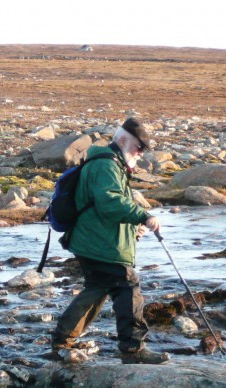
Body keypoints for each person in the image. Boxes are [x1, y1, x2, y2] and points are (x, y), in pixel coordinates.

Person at [50, 118, 168, 364]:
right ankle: (133, 349)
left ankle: (62, 341)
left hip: (94, 240)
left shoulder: (110, 163)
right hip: (99, 243)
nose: (140, 153)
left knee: (98, 288)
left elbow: (103, 207)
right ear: (123, 140)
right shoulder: (106, 165)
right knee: (127, 285)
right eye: (139, 147)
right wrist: (143, 215)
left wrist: (133, 228)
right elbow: (110, 202)